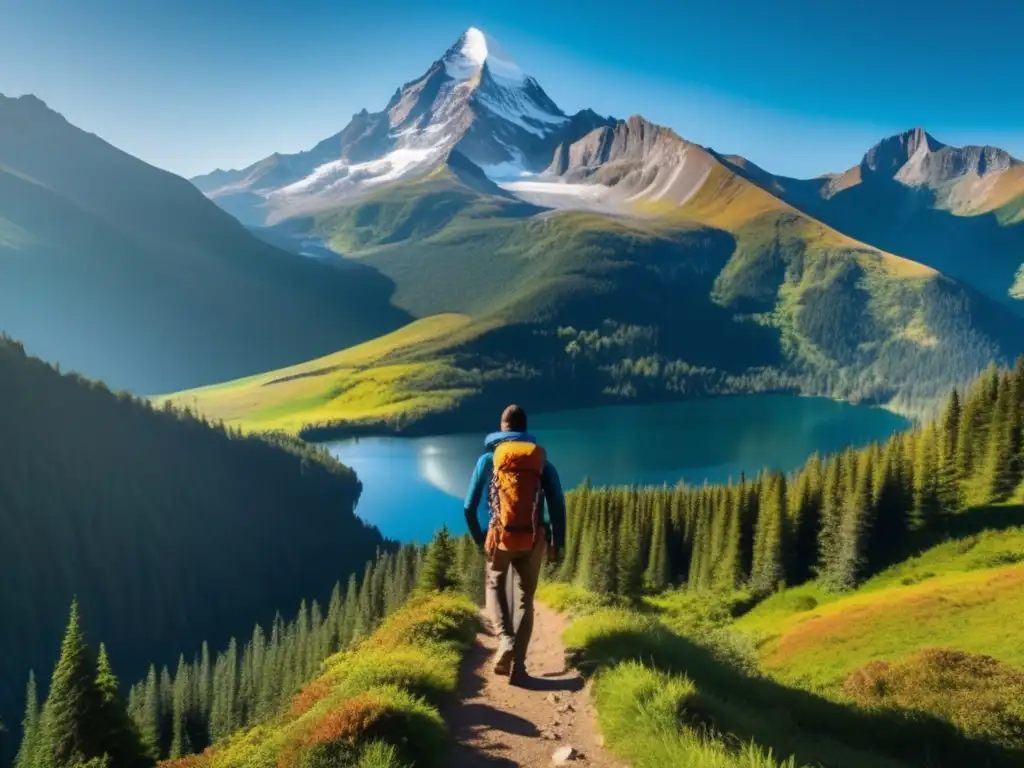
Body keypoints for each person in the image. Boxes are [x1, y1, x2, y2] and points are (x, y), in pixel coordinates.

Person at [464, 404, 566, 684]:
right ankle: (519, 669)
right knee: (525, 600)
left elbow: (468, 507)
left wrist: (479, 541)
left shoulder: (488, 459)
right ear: (525, 428)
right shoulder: (540, 461)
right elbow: (557, 503)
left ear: (502, 427)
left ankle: (504, 640)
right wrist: (560, 543)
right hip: (533, 539)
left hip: (500, 537)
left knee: (495, 583)